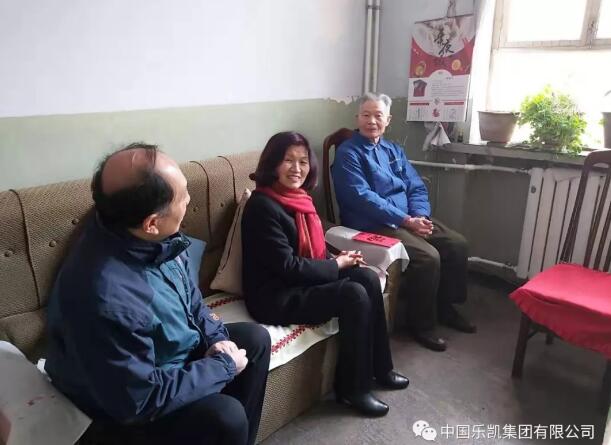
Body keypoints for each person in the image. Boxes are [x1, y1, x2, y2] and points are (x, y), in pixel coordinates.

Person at [45, 143, 270, 445]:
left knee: (254, 340)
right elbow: (138, 399)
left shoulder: (150, 235)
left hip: (165, 358)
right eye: (183, 195)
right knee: (226, 416)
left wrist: (216, 340)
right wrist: (222, 367)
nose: (189, 200)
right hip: (120, 404)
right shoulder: (105, 295)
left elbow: (193, 304)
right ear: (151, 223)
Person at [241, 131, 408, 418]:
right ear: (273, 163)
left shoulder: (299, 199)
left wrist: (338, 260)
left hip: (299, 282)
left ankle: (381, 368)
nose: (297, 168)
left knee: (367, 278)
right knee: (352, 294)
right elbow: (288, 266)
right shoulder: (261, 206)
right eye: (288, 160)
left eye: (303, 161)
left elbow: (309, 252)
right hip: (276, 295)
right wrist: (336, 265)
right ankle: (352, 389)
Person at [331, 93, 476, 353]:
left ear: (388, 120)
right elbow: (361, 197)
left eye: (378, 116)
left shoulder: (394, 150)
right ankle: (422, 325)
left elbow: (415, 185)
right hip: (371, 222)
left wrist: (421, 216)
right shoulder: (348, 153)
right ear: (357, 118)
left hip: (408, 217)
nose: (372, 121)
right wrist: (407, 221)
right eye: (366, 115)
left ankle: (445, 307)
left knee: (456, 244)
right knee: (428, 257)